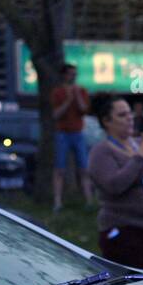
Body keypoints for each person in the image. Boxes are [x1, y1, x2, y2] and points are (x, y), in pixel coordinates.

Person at [87, 95, 143, 270]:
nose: (130, 118)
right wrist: (139, 158)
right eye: (122, 115)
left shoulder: (141, 144)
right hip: (123, 229)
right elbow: (114, 185)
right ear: (106, 121)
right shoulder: (101, 151)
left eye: (130, 113)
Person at [51, 63, 93, 210]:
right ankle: (57, 202)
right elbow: (55, 114)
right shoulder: (58, 92)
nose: (73, 77)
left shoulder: (81, 91)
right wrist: (68, 100)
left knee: (84, 167)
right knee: (60, 169)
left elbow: (84, 110)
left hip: (78, 133)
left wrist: (76, 96)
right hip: (62, 133)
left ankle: (88, 200)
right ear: (64, 75)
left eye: (75, 74)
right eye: (71, 74)